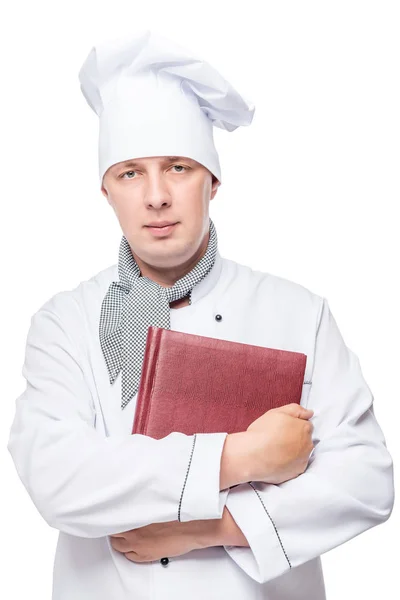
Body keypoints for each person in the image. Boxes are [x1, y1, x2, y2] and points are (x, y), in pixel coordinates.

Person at [7, 29, 394, 600]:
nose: (156, 196)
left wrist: (213, 529)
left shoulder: (298, 312)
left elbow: (366, 478)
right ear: (106, 191)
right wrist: (242, 456)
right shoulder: (64, 323)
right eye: (130, 172)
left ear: (213, 181)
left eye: (179, 167)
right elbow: (58, 477)